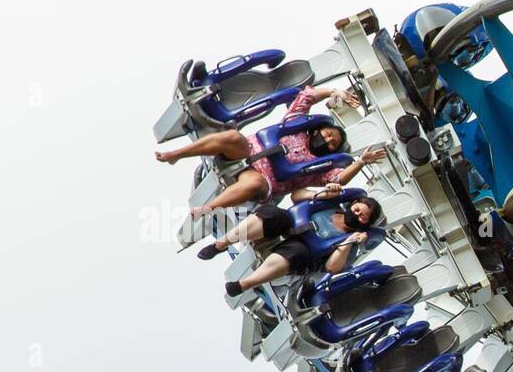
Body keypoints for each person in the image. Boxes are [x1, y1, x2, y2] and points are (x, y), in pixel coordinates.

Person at [155, 85, 386, 214]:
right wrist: (334, 92)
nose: (327, 140)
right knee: (232, 137)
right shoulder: (297, 125)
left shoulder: (320, 168)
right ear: (318, 130)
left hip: (264, 178)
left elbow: (339, 178)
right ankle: (176, 154)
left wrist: (361, 161)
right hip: (247, 151)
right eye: (328, 134)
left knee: (254, 184)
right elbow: (306, 96)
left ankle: (208, 208)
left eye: (332, 143)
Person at [209, 193, 384, 297]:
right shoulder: (331, 206)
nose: (357, 215)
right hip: (285, 230)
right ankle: (221, 243)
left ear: (365, 224)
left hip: (300, 256)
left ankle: (244, 284)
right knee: (273, 213)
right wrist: (322, 193)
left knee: (296, 252)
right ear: (353, 204)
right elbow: (296, 196)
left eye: (363, 217)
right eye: (358, 210)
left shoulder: (350, 242)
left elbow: (332, 267)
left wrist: (350, 241)